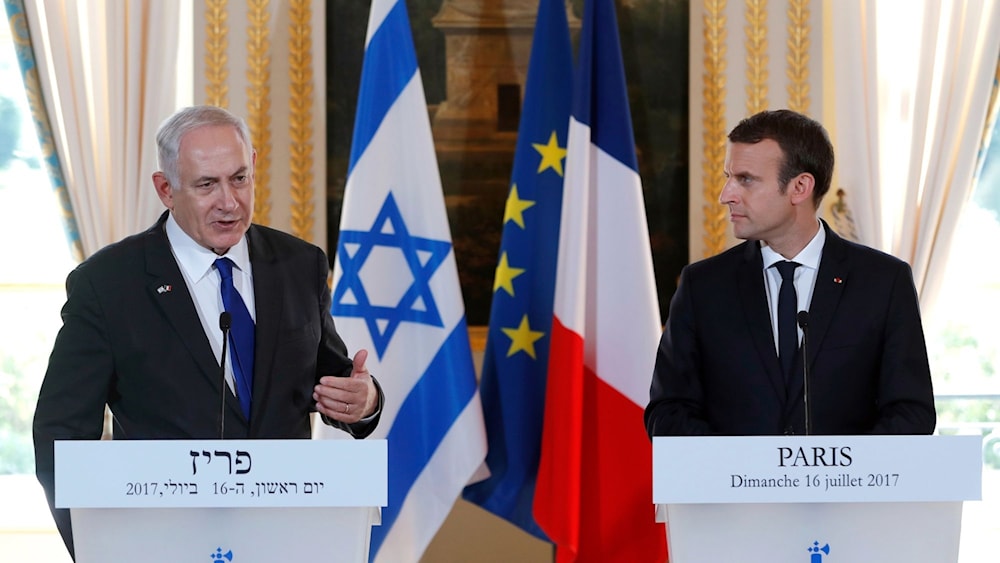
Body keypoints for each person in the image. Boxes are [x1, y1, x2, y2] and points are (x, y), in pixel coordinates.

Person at [33, 105, 384, 558]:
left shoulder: (300, 265)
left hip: (288, 537)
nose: (229, 202)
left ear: (254, 166)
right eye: (206, 185)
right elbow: (59, 433)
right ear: (166, 189)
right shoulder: (108, 284)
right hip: (161, 545)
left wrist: (364, 400)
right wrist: (99, 546)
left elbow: (334, 384)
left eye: (239, 178)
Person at [645, 109, 935, 437]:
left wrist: (838, 477)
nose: (726, 195)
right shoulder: (703, 286)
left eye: (745, 179)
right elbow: (668, 411)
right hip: (738, 487)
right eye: (728, 177)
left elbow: (912, 412)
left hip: (847, 487)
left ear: (799, 187)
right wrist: (741, 473)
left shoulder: (884, 281)